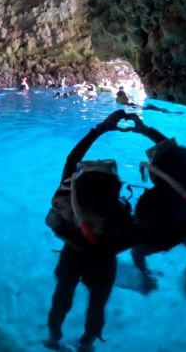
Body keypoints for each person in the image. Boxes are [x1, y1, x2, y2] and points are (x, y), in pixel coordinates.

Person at [44, 110, 136, 352]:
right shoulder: (118, 213)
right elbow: (131, 237)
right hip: (102, 263)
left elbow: (72, 159)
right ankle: (86, 345)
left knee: (62, 299)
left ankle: (53, 339)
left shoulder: (69, 199)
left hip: (72, 255)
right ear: (115, 190)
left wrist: (100, 129)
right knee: (97, 306)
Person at [126, 113, 186, 291]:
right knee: (181, 230)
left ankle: (145, 278)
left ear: (156, 172)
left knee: (136, 250)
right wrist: (145, 130)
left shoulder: (152, 199)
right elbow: (173, 151)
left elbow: (136, 230)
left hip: (164, 238)